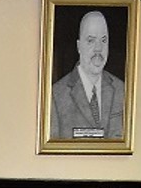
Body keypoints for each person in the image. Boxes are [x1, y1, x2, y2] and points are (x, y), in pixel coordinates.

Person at [50, 10, 125, 139]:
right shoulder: (56, 95)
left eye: (103, 40)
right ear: (79, 46)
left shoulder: (122, 90)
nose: (98, 49)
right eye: (91, 41)